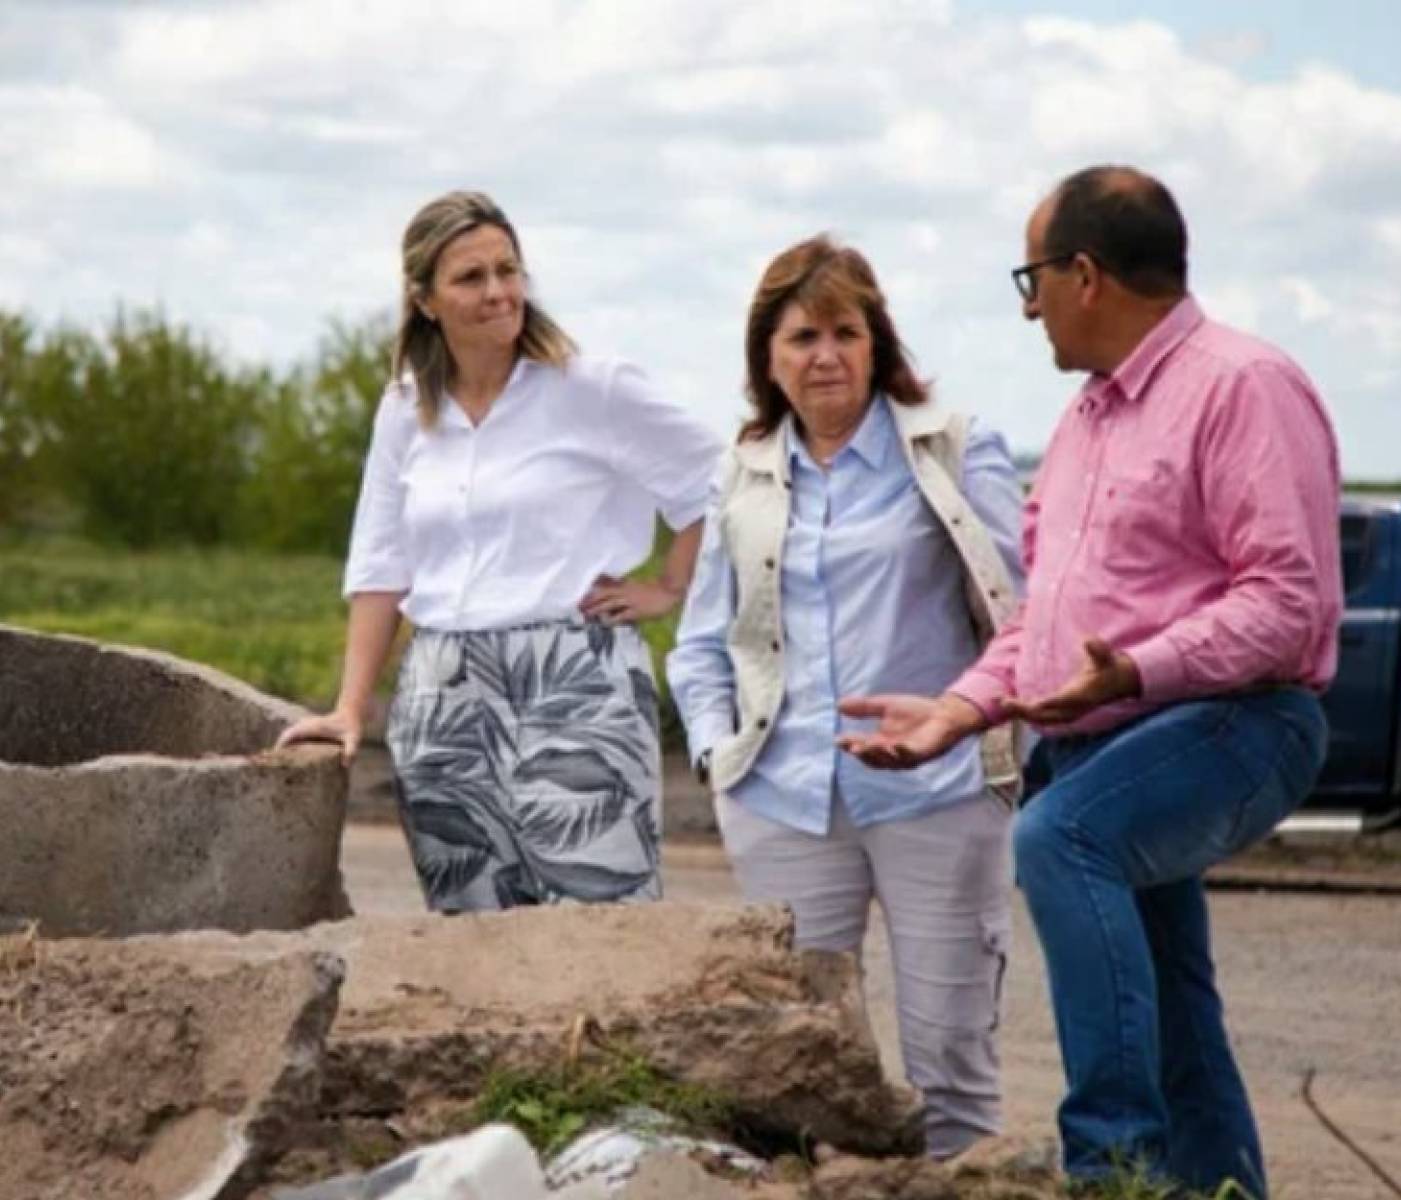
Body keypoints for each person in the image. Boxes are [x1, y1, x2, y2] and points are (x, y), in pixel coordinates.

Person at [839, 166, 1341, 1198]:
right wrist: (961, 708)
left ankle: (1111, 1167)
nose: (1027, 310)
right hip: (1105, 742)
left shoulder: (1242, 384)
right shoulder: (1082, 425)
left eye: (1032, 280)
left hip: (1235, 722)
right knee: (1172, 1001)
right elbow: (1041, 621)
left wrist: (1143, 666)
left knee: (1059, 838)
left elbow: (1288, 601)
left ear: (1084, 274)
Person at [667, 235, 1025, 1157]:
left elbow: (1023, 610)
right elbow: (702, 639)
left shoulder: (953, 446)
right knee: (803, 1060)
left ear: (878, 344)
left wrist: (981, 727)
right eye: (799, 337)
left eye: (844, 332)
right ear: (768, 359)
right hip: (783, 800)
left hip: (938, 795)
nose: (824, 355)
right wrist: (720, 759)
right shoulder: (742, 470)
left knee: (949, 1053)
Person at [277, 190, 721, 910]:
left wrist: (668, 588)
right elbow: (381, 564)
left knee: (599, 919)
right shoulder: (404, 407)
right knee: (472, 934)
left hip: (575, 678)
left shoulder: (593, 387)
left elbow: (719, 484)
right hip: (440, 689)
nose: (497, 293)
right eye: (470, 278)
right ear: (425, 300)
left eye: (508, 271)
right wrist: (351, 706)